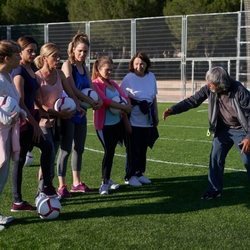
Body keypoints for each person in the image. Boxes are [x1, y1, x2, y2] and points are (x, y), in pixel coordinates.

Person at [163, 66, 250, 200]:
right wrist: (173, 109)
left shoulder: (240, 91)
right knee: (215, 158)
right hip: (222, 130)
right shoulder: (209, 89)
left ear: (221, 84)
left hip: (241, 130)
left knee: (248, 160)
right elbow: (192, 101)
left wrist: (248, 137)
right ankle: (214, 190)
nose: (208, 85)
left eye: (211, 83)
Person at [11, 36, 57, 212]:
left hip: (33, 118)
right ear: (20, 52)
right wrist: (35, 124)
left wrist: (42, 110)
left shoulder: (30, 69)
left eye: (34, 50)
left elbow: (34, 97)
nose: (33, 53)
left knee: (46, 149)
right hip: (23, 122)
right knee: (20, 159)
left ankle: (45, 186)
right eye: (29, 50)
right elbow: (21, 101)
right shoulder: (19, 72)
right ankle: (17, 200)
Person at [34, 42, 80, 199]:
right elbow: (38, 104)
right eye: (55, 56)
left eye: (59, 55)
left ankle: (58, 188)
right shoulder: (37, 77)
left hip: (65, 119)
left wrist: (76, 106)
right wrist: (56, 114)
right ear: (45, 58)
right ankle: (41, 191)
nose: (58, 59)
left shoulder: (60, 74)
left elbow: (70, 93)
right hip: (46, 123)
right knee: (48, 157)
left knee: (66, 151)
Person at [58, 33, 101, 198]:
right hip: (69, 113)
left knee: (79, 149)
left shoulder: (85, 68)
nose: (83, 54)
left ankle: (77, 182)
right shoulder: (67, 65)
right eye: (80, 51)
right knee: (66, 150)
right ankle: (62, 185)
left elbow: (91, 88)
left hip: (82, 113)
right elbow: (72, 89)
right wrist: (88, 100)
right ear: (73, 50)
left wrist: (96, 102)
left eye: (85, 51)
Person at [92, 55, 131, 195]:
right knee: (108, 152)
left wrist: (127, 106)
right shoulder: (95, 84)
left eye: (111, 70)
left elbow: (124, 97)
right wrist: (124, 107)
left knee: (112, 152)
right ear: (99, 69)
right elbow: (105, 100)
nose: (110, 72)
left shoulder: (113, 84)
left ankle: (108, 180)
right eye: (107, 70)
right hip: (103, 126)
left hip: (116, 124)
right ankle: (104, 183)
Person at [120, 52, 159, 187]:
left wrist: (156, 115)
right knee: (132, 149)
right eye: (136, 63)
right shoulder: (128, 78)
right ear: (132, 64)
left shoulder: (151, 76)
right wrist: (126, 119)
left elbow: (153, 98)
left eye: (142, 63)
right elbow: (123, 99)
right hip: (133, 119)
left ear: (146, 64)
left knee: (143, 148)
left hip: (147, 119)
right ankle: (129, 175)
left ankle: (139, 173)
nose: (139, 66)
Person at [0, 40, 25, 230]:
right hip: (1, 133)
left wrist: (21, 113)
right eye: (17, 54)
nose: (20, 57)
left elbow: (14, 102)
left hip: (9, 133)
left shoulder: (8, 75)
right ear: (6, 58)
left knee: (3, 174)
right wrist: (7, 119)